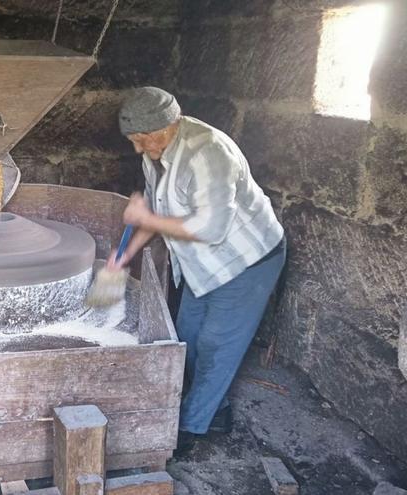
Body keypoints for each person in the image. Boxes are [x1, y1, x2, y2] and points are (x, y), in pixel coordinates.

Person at [111, 87, 286, 453]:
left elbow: (211, 228)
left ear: (168, 125)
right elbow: (155, 213)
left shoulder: (208, 153)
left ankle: (189, 431)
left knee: (216, 345)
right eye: (134, 141)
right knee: (186, 335)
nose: (139, 149)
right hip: (203, 263)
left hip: (245, 260)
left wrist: (145, 217)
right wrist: (124, 255)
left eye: (144, 140)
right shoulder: (155, 152)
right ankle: (216, 407)